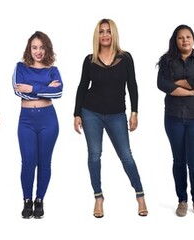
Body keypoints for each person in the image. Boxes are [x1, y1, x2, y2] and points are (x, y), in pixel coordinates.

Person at [74, 19, 147, 218]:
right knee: (94, 155)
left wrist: (135, 112)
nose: (105, 35)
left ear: (114, 34)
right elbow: (82, 86)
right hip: (91, 113)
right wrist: (77, 113)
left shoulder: (125, 58)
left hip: (117, 114)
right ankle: (98, 197)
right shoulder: (90, 59)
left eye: (108, 31)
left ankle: (140, 195)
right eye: (101, 32)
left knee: (126, 156)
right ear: (97, 35)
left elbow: (132, 85)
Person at [157, 24, 194, 217]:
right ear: (176, 40)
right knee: (178, 161)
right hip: (173, 117)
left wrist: (176, 84)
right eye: (181, 37)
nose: (185, 40)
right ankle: (182, 200)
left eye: (188, 36)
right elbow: (161, 84)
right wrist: (188, 89)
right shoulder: (167, 60)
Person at [14, 31, 62, 219]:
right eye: (34, 47)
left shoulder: (53, 70)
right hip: (26, 120)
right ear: (29, 49)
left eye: (42, 47)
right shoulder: (20, 67)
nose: (38, 51)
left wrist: (33, 88)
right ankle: (27, 200)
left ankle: (39, 200)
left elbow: (58, 93)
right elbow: (19, 92)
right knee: (28, 161)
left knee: (44, 162)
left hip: (48, 120)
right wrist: (45, 89)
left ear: (47, 48)